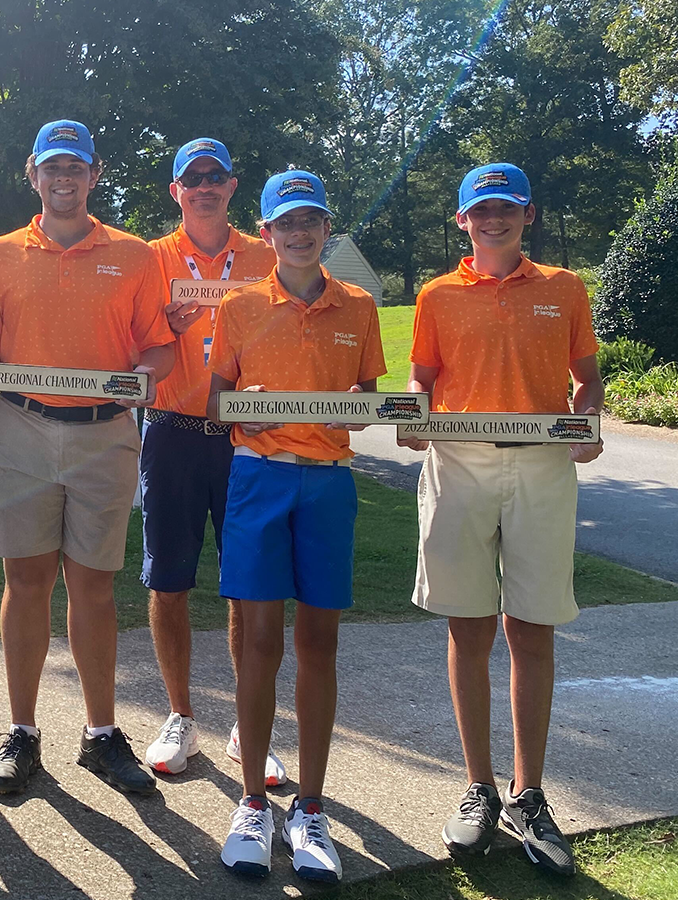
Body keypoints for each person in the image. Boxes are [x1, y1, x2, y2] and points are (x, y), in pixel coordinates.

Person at [403, 163, 603, 877]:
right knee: (469, 624)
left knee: (532, 624)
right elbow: (419, 380)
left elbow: (586, 376)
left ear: (529, 214)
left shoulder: (564, 287)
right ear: (462, 220)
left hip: (543, 466)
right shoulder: (436, 294)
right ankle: (479, 788)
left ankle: (530, 794)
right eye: (480, 210)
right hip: (459, 462)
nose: (493, 220)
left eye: (506, 208)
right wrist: (412, 417)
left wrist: (589, 420)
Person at [0, 119, 175, 796]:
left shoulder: (136, 255)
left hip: (103, 432)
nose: (64, 179)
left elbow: (158, 345)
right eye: (52, 168)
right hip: (19, 429)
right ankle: (22, 732)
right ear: (33, 174)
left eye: (75, 168)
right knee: (24, 583)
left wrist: (145, 372)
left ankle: (102, 734)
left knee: (93, 587)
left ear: (94, 175)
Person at [208, 169, 384, 882]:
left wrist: (360, 406)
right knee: (258, 642)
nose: (300, 233)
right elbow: (218, 405)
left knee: (318, 642)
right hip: (258, 479)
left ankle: (309, 808)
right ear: (268, 231)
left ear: (325, 226)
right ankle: (253, 801)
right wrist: (241, 405)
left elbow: (371, 399)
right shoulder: (242, 305)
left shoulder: (360, 305)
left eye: (311, 221)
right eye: (286, 223)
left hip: (328, 485)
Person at [138, 138, 286, 787]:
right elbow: (132, 343)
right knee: (168, 581)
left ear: (232, 186)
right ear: (176, 191)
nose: (203, 185)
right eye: (190, 177)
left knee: (247, 584)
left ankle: (249, 728)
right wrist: (164, 327)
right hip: (171, 430)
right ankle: (180, 715)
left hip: (246, 439)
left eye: (214, 176)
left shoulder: (266, 255)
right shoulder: (149, 260)